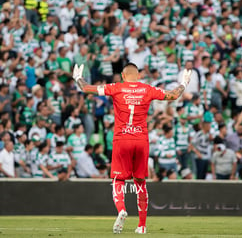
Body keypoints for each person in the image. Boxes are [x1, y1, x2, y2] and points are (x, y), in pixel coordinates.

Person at [73, 62, 191, 234]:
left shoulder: (116, 87)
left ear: (122, 75)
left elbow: (87, 89)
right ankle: (142, 226)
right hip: (141, 140)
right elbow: (173, 95)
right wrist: (184, 83)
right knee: (140, 182)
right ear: (138, 76)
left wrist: (78, 78)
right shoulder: (147, 89)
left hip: (122, 139)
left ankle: (121, 209)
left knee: (118, 180)